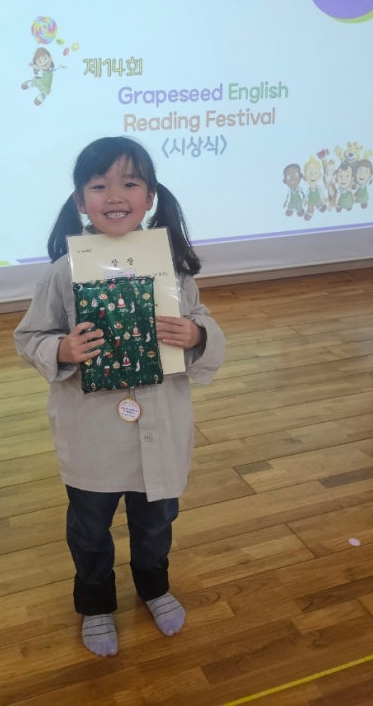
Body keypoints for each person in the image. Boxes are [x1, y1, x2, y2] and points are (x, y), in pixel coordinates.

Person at [14, 136, 225, 657]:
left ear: (149, 196)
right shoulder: (63, 271)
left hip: (160, 424)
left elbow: (200, 320)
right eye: (99, 185)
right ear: (80, 200)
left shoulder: (172, 269)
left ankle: (154, 586)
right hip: (94, 434)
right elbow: (30, 337)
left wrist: (196, 335)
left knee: (156, 523)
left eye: (129, 183)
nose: (114, 195)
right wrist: (61, 348)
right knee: (89, 527)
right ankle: (96, 603)